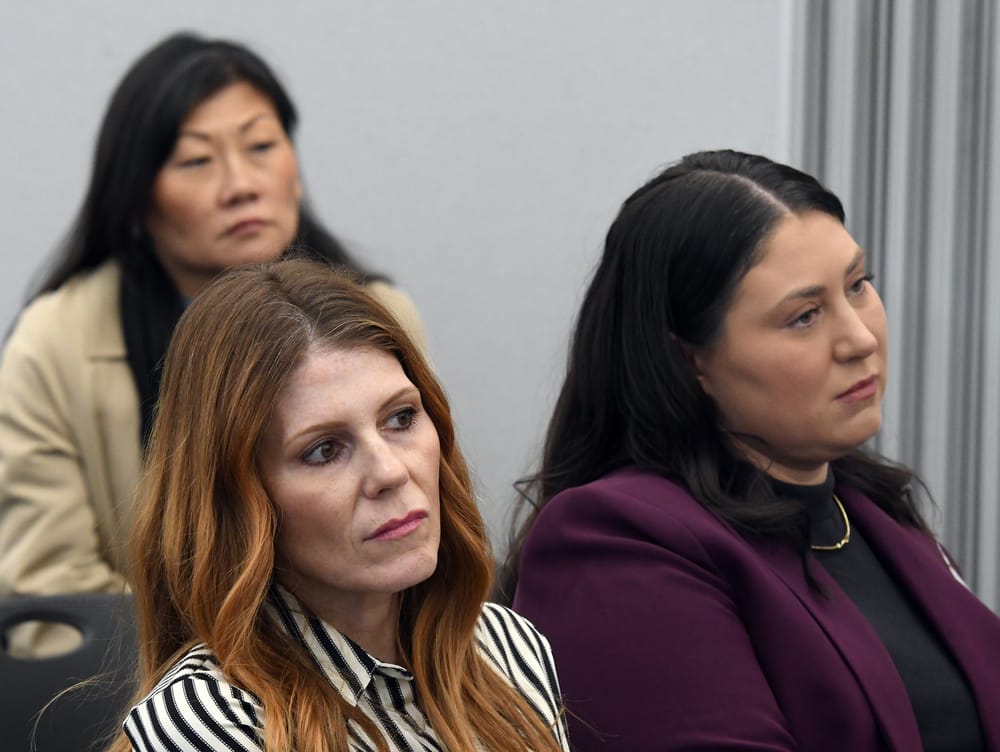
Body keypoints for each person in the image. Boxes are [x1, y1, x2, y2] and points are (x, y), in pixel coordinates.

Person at [504, 150, 1000, 751]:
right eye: (805, 316)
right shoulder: (616, 540)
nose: (861, 338)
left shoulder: (871, 507)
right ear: (691, 361)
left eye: (858, 285)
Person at [0, 32, 426, 652]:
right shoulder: (54, 344)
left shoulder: (381, 315)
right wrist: (224, 685)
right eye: (197, 161)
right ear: (137, 196)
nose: (241, 185)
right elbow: (52, 594)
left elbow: (414, 531)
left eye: (261, 146)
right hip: (147, 686)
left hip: (368, 664)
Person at [107, 258, 568, 752]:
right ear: (239, 501)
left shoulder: (509, 648)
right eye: (324, 450)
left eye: (401, 418)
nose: (390, 471)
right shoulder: (205, 718)